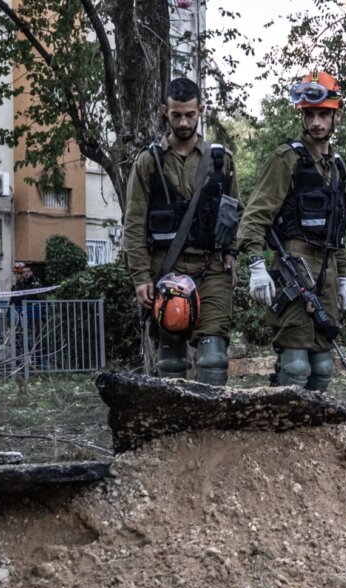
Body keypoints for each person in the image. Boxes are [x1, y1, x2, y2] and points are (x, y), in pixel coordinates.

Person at [238, 71, 346, 392]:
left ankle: (313, 435)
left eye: (324, 114)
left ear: (336, 116)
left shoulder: (337, 167)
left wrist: (344, 278)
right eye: (310, 114)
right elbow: (256, 214)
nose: (317, 122)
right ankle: (284, 434)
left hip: (327, 272)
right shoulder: (286, 158)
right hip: (293, 267)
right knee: (296, 365)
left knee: (323, 368)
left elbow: (338, 230)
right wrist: (256, 264)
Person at [123, 77, 240, 385]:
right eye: (176, 115)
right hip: (166, 269)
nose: (184, 122)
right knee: (171, 359)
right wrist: (140, 277)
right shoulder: (149, 162)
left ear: (200, 109)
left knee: (213, 358)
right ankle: (176, 430)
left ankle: (209, 427)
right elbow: (134, 224)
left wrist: (231, 252)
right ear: (165, 111)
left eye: (190, 114)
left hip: (211, 268)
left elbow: (233, 213)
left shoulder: (221, 161)